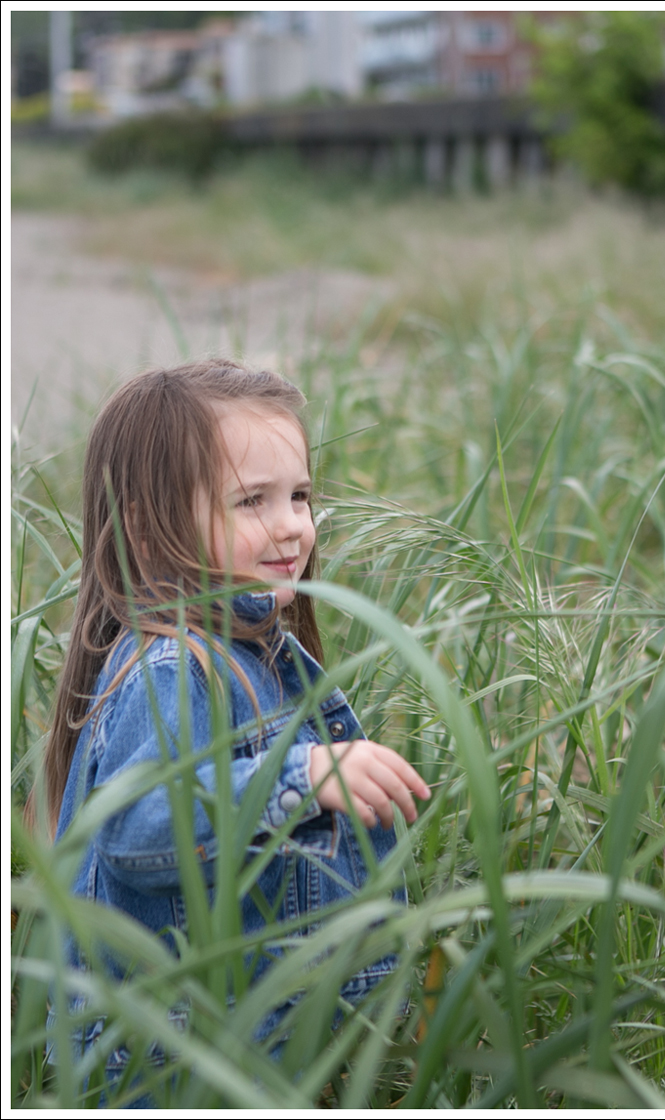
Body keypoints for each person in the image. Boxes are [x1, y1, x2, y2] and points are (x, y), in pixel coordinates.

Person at [30, 359, 430, 1106]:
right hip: (167, 1056)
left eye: (300, 496)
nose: (290, 525)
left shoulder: (257, 646)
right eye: (251, 501)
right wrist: (302, 775)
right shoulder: (174, 666)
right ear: (150, 532)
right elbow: (137, 826)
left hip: (242, 1038)